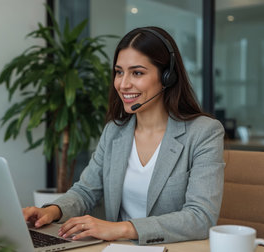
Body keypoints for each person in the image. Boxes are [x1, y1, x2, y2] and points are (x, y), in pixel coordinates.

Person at [23, 26, 225, 245]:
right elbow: (85, 191)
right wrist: (53, 211)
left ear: (167, 77)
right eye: (119, 72)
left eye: (137, 73)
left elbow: (201, 217)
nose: (123, 84)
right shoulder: (114, 131)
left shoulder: (203, 132)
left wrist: (121, 229)